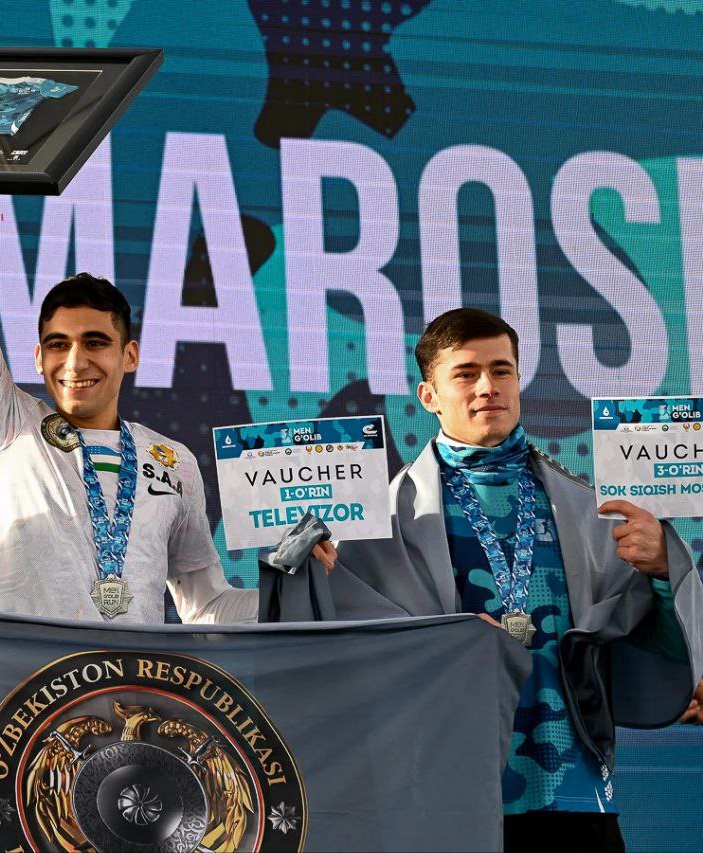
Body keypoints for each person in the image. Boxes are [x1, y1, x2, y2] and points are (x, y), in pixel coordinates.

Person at [270, 307, 703, 851]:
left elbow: (646, 632)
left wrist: (664, 566)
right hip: (443, 794)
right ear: (429, 396)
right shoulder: (374, 524)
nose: (487, 387)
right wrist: (301, 569)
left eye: (501, 370)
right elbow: (334, 653)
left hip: (575, 792)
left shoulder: (591, 508)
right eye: (465, 373)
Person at [0, 63, 255, 625]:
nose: (75, 361)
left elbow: (207, 606)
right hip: (24, 681)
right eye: (57, 344)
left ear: (130, 355)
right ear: (38, 356)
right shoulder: (4, 424)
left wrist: (301, 584)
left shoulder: (172, 461)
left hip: (133, 683)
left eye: (95, 342)